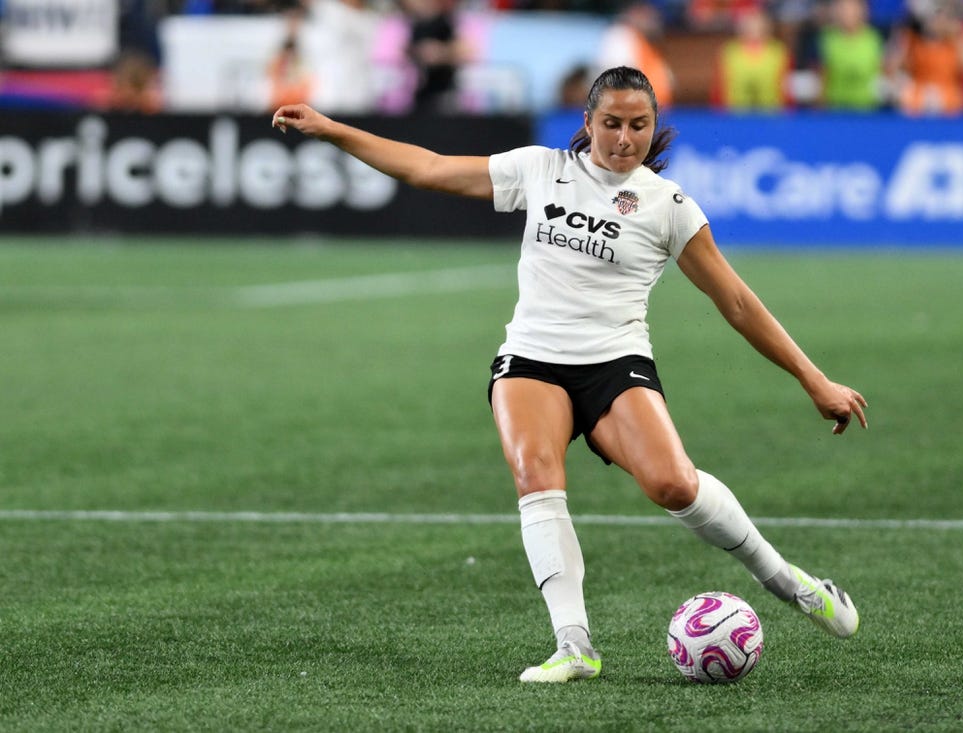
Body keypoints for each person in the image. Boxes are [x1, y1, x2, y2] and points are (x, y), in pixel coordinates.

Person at [271, 66, 867, 684]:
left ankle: (787, 582)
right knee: (535, 474)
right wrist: (332, 129)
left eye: (639, 125)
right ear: (587, 123)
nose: (624, 138)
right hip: (532, 359)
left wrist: (813, 380)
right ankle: (574, 646)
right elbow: (427, 167)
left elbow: (738, 304)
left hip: (615, 363)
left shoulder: (668, 205)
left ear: (653, 127)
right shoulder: (541, 168)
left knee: (672, 486)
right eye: (611, 123)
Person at [711, 4, 790, 110]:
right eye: (749, 25)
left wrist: (787, 112)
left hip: (772, 114)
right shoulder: (729, 52)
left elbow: (787, 86)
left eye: (758, 25)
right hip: (735, 114)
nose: (754, 30)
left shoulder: (779, 51)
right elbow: (719, 86)